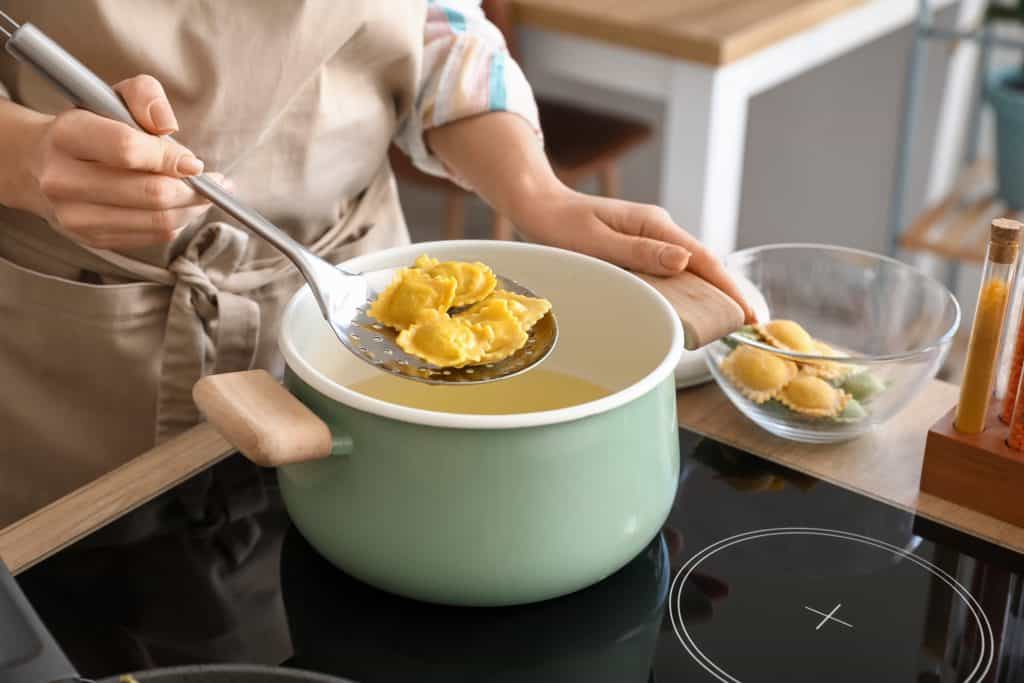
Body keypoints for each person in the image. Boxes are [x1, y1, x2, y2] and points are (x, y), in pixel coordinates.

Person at [0, 0, 753, 675]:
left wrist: (539, 194)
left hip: (348, 284)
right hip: (77, 353)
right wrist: (31, 157)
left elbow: (429, 23)